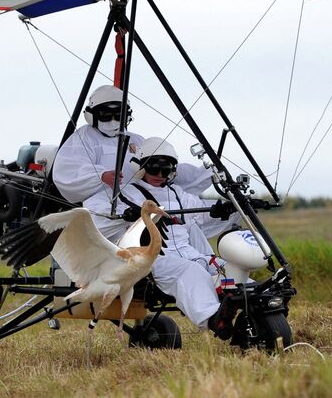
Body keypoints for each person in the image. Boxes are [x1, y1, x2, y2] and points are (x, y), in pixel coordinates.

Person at [83, 137, 241, 339]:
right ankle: (215, 319)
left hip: (189, 253)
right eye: (154, 168)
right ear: (140, 167)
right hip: (153, 259)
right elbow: (92, 211)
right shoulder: (125, 194)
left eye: (165, 170)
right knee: (190, 271)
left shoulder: (178, 194)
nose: (159, 175)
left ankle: (254, 304)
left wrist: (222, 209)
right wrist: (125, 214)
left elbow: (202, 213)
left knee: (225, 267)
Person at [53, 84, 212, 208]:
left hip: (138, 206)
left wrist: (208, 173)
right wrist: (101, 176)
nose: (113, 121)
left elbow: (161, 167)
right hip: (104, 209)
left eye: (119, 115)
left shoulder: (136, 140)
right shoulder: (84, 138)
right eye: (107, 115)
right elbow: (68, 171)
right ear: (92, 115)